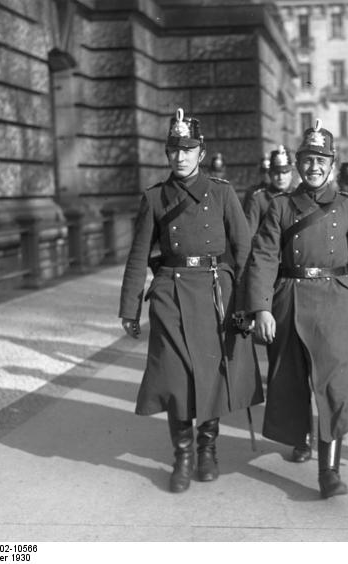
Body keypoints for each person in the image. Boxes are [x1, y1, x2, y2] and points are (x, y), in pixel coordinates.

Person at [119, 108, 263, 494]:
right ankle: (182, 455)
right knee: (176, 377)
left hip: (217, 293)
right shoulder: (154, 198)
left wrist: (249, 302)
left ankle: (208, 450)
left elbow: (244, 249)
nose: (179, 157)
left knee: (212, 375)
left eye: (188, 149)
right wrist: (129, 309)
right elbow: (137, 257)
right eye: (173, 150)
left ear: (201, 152)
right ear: (166, 153)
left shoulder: (222, 192)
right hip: (170, 292)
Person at [245, 120, 348, 499]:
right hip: (290, 300)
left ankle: (330, 472)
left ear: (332, 163)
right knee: (293, 382)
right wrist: (261, 308)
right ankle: (300, 438)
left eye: (321, 160)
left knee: (336, 387)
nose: (314, 167)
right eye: (308, 159)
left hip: (338, 303)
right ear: (298, 163)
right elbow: (263, 258)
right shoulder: (280, 207)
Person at [243, 145, 294, 233]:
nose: (281, 177)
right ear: (270, 174)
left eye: (285, 172)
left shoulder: (300, 195)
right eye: (276, 173)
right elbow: (249, 232)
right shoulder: (259, 199)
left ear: (292, 173)